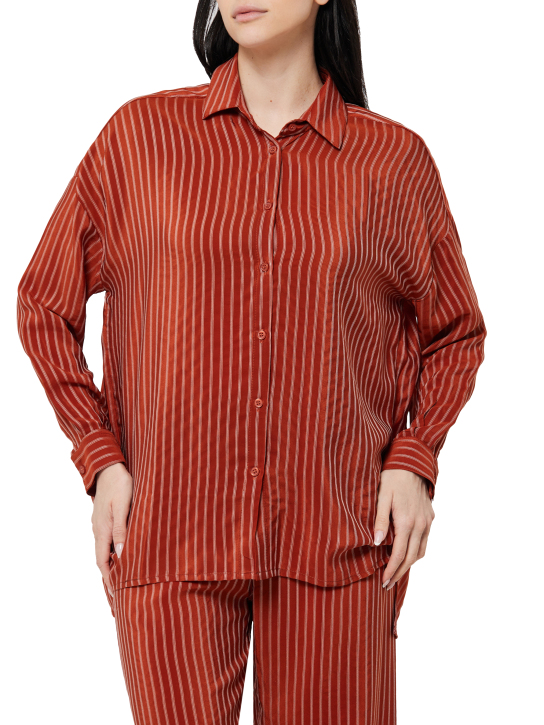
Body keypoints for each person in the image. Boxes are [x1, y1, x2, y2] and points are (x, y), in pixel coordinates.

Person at [16, 1, 487, 723]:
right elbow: (44, 303)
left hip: (339, 533)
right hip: (169, 529)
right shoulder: (141, 139)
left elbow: (455, 331)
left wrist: (414, 457)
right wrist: (100, 456)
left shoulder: (392, 162)